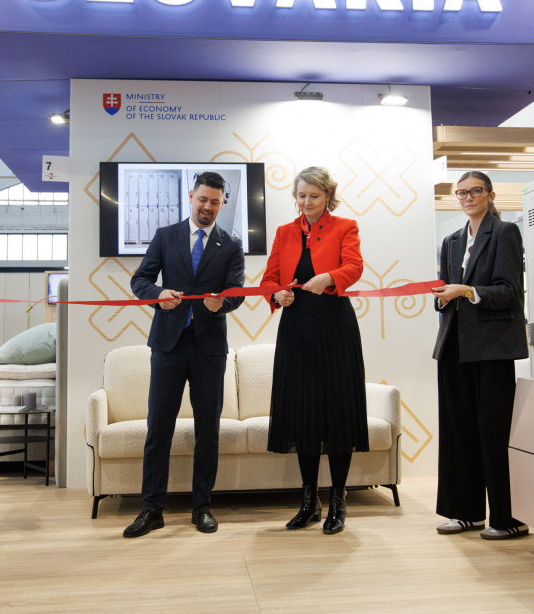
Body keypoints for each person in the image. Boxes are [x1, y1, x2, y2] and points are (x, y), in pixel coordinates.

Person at [124, 171, 245, 538]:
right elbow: (140, 280)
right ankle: (152, 509)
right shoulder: (165, 236)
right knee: (158, 428)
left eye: (215, 202)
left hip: (209, 348)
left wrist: (222, 303)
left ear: (222, 203)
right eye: (202, 199)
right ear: (191, 196)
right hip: (168, 345)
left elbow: (237, 292)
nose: (208, 207)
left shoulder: (231, 244)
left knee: (208, 430)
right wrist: (157, 295)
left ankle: (201, 507)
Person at [262, 166, 368, 535]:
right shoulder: (284, 232)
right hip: (297, 329)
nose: (306, 202)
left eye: (314, 196)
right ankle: (309, 501)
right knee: (302, 413)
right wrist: (277, 294)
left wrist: (330, 278)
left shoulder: (345, 227)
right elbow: (269, 279)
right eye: (301, 195)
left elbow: (354, 266)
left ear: (328, 197)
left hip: (335, 327)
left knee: (337, 413)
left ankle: (338, 500)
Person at [431, 171, 529, 540]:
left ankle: (507, 518)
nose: (468, 197)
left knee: (494, 432)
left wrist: (467, 291)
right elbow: (445, 291)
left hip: (492, 347)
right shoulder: (451, 241)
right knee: (458, 432)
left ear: (490, 194)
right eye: (461, 193)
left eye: (475, 191)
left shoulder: (505, 232)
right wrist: (443, 296)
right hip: (454, 345)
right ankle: (465, 512)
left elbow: (509, 292)